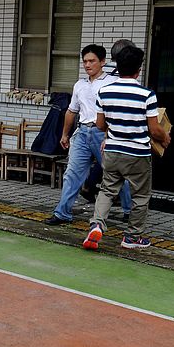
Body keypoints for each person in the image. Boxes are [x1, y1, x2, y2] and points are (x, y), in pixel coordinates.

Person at [83, 45, 170, 251]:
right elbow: (154, 129)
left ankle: (97, 225)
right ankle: (132, 237)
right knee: (140, 196)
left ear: (118, 68)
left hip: (112, 150)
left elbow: (100, 124)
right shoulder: (147, 95)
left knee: (107, 190)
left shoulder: (105, 92)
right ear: (138, 70)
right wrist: (165, 137)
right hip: (138, 153)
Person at [44, 44, 131, 225]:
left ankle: (129, 211)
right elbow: (71, 111)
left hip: (104, 133)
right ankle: (62, 213)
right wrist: (65, 134)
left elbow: (117, 111)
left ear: (103, 62)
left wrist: (111, 135)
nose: (87, 65)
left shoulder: (112, 82)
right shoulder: (80, 85)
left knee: (116, 173)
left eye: (92, 61)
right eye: (85, 61)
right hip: (82, 132)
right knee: (72, 173)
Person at [82, 38, 136, 201]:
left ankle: (92, 187)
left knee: (106, 163)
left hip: (97, 124)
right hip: (113, 126)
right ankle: (126, 205)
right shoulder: (122, 72)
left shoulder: (106, 71)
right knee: (116, 167)